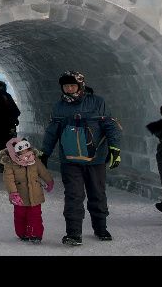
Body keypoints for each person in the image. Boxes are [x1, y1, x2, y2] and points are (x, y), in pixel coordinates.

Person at [40, 70, 121, 246]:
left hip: (95, 159)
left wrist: (115, 149)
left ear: (80, 85)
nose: (69, 89)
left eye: (72, 85)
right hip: (70, 160)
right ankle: (73, 233)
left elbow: (110, 126)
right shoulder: (59, 106)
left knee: (97, 193)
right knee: (73, 196)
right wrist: (44, 153)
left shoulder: (97, 102)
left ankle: (101, 227)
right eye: (65, 86)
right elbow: (52, 131)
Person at [0, 137, 55, 243]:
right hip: (20, 196)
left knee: (35, 215)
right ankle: (22, 233)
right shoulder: (10, 164)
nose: (27, 156)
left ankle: (35, 234)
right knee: (20, 216)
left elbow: (43, 172)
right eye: (22, 153)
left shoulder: (35, 161)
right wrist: (13, 193)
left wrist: (49, 181)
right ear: (14, 153)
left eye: (28, 152)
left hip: (35, 194)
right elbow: (9, 180)